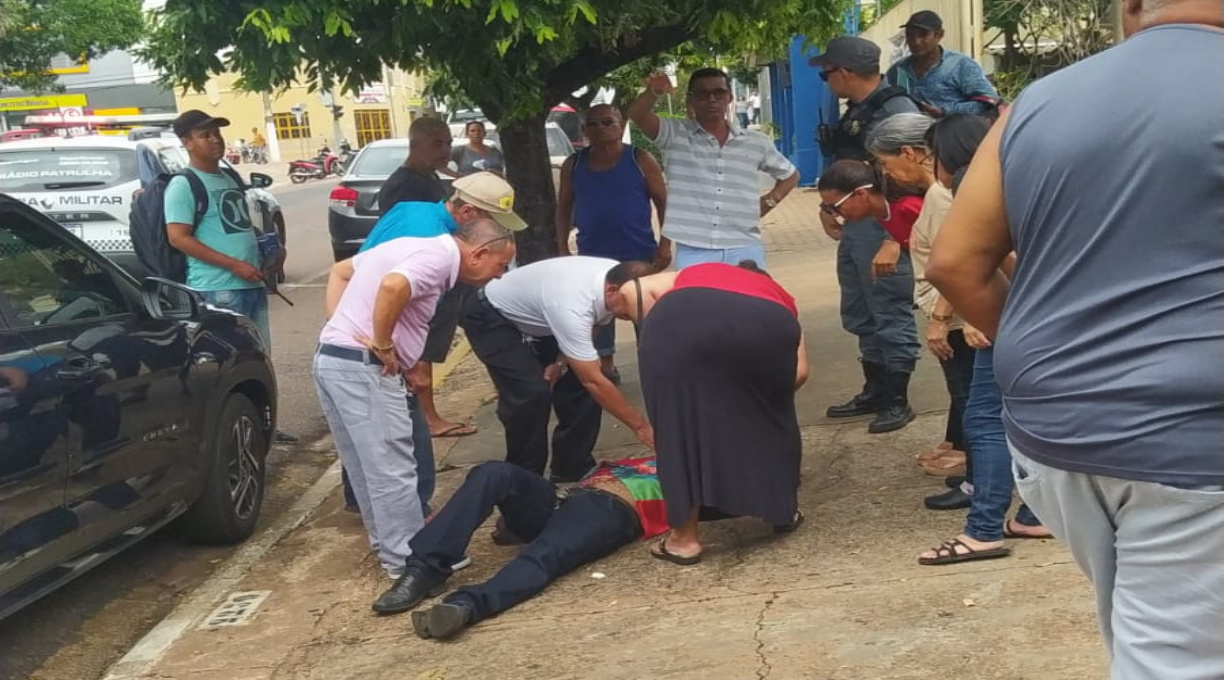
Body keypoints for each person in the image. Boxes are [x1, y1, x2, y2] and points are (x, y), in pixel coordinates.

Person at [926, 1, 1223, 675]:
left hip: (1055, 436)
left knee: (1145, 620)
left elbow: (953, 262)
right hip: (1190, 441)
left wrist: (1054, 355)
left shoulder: (1034, 103)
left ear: (1131, 9)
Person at [315, 219, 516, 578]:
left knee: (367, 468)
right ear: (479, 253)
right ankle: (411, 561)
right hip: (364, 368)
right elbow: (394, 286)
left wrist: (342, 325)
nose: (499, 275)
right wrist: (382, 343)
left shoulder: (415, 243)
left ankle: (393, 550)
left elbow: (342, 270)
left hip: (336, 359)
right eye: (499, 266)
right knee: (393, 470)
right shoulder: (436, 258)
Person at [371, 456, 666, 637]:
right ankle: (424, 569)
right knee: (493, 472)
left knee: (545, 556)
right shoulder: (652, 448)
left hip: (612, 510)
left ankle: (464, 607)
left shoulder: (695, 468)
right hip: (561, 496)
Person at [638, 262, 809, 564]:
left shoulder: (700, 272)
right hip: (767, 323)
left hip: (678, 317)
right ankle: (783, 511)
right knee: (775, 416)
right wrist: (761, 402)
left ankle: (684, 540)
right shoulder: (779, 296)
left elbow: (636, 290)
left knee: (677, 422)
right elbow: (799, 373)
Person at [808, 37, 922, 433]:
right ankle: (875, 388)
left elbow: (912, 180)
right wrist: (828, 208)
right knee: (861, 309)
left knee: (889, 307)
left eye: (827, 73)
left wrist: (895, 238)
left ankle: (896, 397)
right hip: (858, 222)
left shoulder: (896, 110)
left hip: (885, 223)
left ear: (844, 72)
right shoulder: (858, 110)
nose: (826, 80)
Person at [459, 257, 657, 484]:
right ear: (611, 290)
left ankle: (571, 466)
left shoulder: (622, 280)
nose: (632, 313)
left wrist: (561, 363)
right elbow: (593, 380)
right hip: (491, 315)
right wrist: (641, 427)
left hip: (543, 318)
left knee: (578, 386)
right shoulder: (573, 302)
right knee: (530, 394)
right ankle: (524, 480)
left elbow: (597, 323)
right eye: (628, 308)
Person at [863, 113, 974, 505]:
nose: (886, 173)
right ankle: (975, 471)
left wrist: (942, 319)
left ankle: (978, 480)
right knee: (964, 396)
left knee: (971, 399)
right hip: (952, 311)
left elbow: (963, 260)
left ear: (910, 153)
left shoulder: (944, 197)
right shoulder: (936, 195)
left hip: (960, 316)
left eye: (885, 163)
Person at [164, 110, 294, 444]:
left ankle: (260, 424)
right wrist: (232, 264)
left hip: (251, 285)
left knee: (259, 359)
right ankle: (222, 434)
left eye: (217, 133)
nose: (214, 140)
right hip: (217, 290)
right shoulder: (183, 184)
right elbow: (178, 237)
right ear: (186, 142)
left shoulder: (228, 178)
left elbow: (237, 224)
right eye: (204, 134)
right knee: (226, 366)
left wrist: (271, 249)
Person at [627, 68, 799, 269]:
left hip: (744, 245)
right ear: (691, 99)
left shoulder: (756, 143)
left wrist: (769, 201)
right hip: (693, 249)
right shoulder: (674, 135)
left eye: (719, 93)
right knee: (697, 301)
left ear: (729, 97)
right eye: (702, 94)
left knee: (748, 300)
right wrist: (653, 91)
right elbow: (637, 114)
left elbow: (790, 175)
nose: (712, 99)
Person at [555, 104, 669, 383]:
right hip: (591, 255)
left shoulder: (640, 160)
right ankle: (606, 364)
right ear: (584, 131)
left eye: (608, 121)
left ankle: (653, 364)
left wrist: (665, 244)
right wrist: (561, 247)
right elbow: (563, 207)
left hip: (637, 251)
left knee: (644, 310)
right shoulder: (574, 164)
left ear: (621, 125)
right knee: (598, 311)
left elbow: (664, 202)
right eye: (593, 123)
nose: (601, 128)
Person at [885, 11, 1000, 119]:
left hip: (952, 135)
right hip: (909, 137)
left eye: (923, 35)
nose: (916, 41)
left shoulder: (961, 66)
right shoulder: (898, 70)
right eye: (910, 35)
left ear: (939, 35)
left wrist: (945, 111)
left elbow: (989, 103)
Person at [378, 116, 453, 210]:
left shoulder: (430, 175)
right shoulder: (403, 187)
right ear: (414, 145)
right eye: (437, 144)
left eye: (449, 143)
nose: (446, 150)